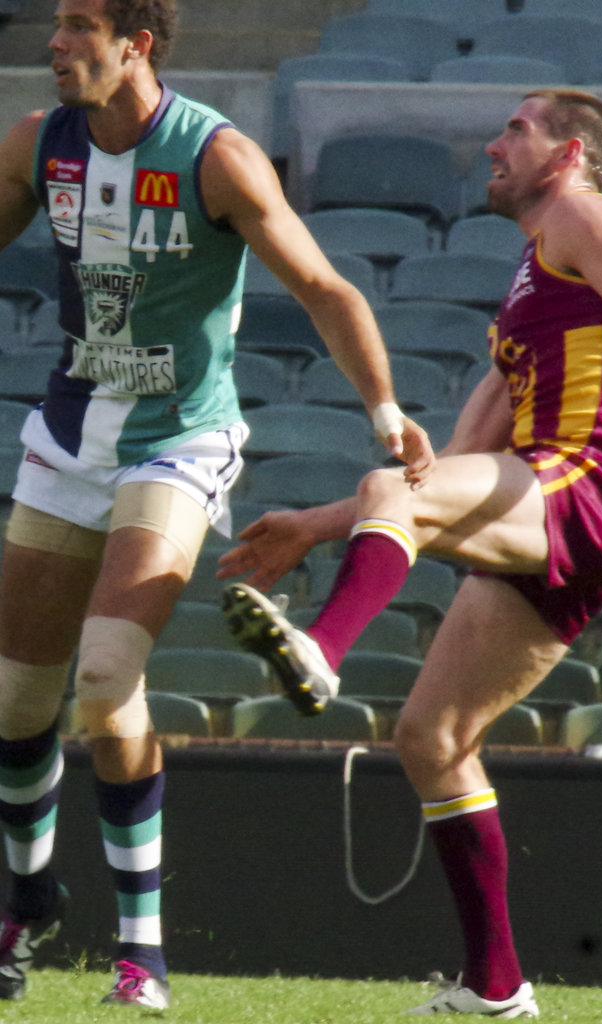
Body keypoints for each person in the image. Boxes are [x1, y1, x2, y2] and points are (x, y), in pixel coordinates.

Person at [218, 88, 602, 1017]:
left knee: (392, 501)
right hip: (560, 512)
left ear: (568, 154)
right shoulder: (529, 294)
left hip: (588, 486)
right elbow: (442, 473)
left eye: (515, 131)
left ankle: (321, 651)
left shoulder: (589, 215)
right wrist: (314, 525)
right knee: (432, 739)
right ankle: (496, 989)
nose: (492, 146)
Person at [0, 0, 433, 1010]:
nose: (54, 43)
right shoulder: (34, 143)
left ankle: (142, 951)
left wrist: (384, 410)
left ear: (135, 45)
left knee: (105, 677)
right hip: (67, 436)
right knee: (15, 700)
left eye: (78, 26)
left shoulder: (216, 157)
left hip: (177, 438)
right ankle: (28, 897)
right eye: (55, 24)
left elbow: (325, 288)